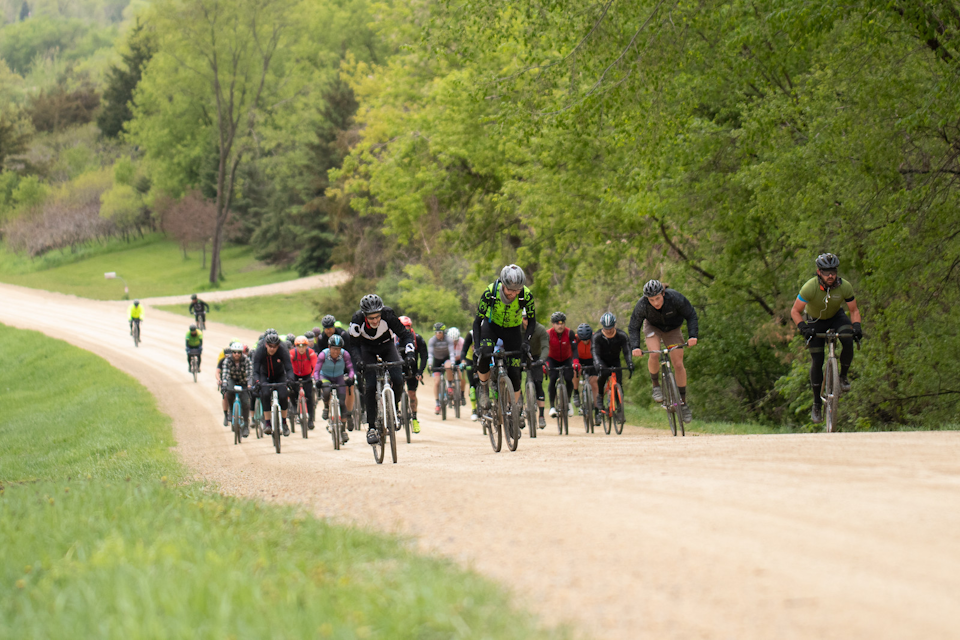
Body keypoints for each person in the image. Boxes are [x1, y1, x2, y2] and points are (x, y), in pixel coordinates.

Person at [790, 252, 863, 423]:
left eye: (833, 271)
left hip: (836, 317)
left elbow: (853, 310)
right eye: (826, 272)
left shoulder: (844, 286)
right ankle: (817, 403)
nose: (830, 275)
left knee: (847, 337)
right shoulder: (810, 287)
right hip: (815, 321)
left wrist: (857, 326)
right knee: (817, 360)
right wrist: (803, 328)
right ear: (819, 272)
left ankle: (843, 376)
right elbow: (795, 311)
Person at [349, 294, 416, 445]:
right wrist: (359, 361)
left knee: (398, 379)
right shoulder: (357, 320)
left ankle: (395, 407)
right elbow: (353, 345)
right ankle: (371, 428)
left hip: (387, 346)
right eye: (371, 318)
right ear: (365, 316)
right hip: (367, 349)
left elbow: (405, 336)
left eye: (377, 317)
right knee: (370, 385)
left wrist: (410, 353)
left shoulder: (388, 314)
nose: (375, 321)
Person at [629, 279, 698, 423]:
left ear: (663, 294)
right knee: (654, 353)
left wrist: (693, 336)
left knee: (678, 364)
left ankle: (683, 402)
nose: (655, 303)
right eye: (651, 300)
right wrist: (635, 346)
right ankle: (656, 385)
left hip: (673, 329)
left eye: (658, 298)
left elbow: (691, 314)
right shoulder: (642, 305)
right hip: (653, 328)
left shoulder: (675, 298)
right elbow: (634, 326)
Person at [473, 264, 536, 415]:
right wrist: (477, 345)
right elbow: (477, 321)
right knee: (484, 354)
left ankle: (514, 409)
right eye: (510, 290)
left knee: (515, 372)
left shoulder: (526, 295)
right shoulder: (490, 292)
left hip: (513, 330)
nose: (513, 294)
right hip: (491, 326)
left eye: (517, 290)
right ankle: (484, 389)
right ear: (503, 285)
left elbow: (532, 321)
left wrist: (526, 342)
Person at [592, 313, 634, 422]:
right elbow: (595, 353)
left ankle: (620, 410)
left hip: (615, 361)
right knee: (603, 374)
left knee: (618, 383)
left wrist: (629, 363)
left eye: (611, 328)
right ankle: (600, 395)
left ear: (614, 325)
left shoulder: (621, 335)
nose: (609, 330)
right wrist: (599, 364)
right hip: (601, 361)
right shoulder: (597, 337)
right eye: (606, 328)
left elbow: (627, 351)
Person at [313, 334, 354, 444]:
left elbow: (350, 368)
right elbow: (316, 371)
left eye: (338, 349)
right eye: (334, 349)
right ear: (329, 347)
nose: (336, 352)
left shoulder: (345, 354)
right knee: (326, 391)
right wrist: (317, 380)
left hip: (339, 377)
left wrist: (350, 378)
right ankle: (326, 407)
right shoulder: (323, 355)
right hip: (325, 376)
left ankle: (343, 430)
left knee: (342, 402)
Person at [253, 331, 293, 436]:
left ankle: (284, 422)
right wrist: (257, 382)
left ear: (278, 346)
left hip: (279, 375)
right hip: (265, 375)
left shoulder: (282, 350)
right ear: (266, 345)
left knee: (283, 395)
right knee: (265, 394)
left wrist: (290, 379)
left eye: (274, 347)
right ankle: (267, 423)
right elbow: (255, 370)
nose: (272, 349)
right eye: (270, 346)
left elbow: (289, 368)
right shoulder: (260, 351)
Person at [546, 311, 577, 418]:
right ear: (553, 324)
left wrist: (575, 361)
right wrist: (545, 363)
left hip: (566, 359)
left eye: (562, 323)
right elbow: (544, 348)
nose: (560, 326)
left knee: (568, 379)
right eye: (557, 323)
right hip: (552, 359)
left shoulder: (569, 333)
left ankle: (568, 402)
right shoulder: (548, 334)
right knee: (553, 378)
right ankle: (552, 407)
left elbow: (575, 349)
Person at [399, 316, 427, 433]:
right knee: (396, 391)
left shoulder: (417, 339)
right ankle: (395, 412)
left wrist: (420, 372)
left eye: (408, 327)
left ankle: (414, 418)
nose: (406, 329)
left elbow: (424, 356)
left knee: (412, 394)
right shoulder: (393, 338)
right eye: (403, 327)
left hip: (412, 369)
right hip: (398, 368)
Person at [522, 308, 549, 428]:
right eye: (524, 318)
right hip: (521, 355)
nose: (527, 320)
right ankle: (519, 409)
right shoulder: (517, 328)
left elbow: (545, 347)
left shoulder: (540, 329)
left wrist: (542, 359)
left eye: (529, 318)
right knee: (515, 379)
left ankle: (541, 416)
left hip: (536, 356)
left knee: (538, 383)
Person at [222, 341, 253, 437]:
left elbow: (250, 373)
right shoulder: (227, 360)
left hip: (243, 381)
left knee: (246, 403)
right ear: (232, 352)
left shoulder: (246, 360)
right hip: (232, 380)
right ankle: (231, 410)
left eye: (239, 352)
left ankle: (246, 426)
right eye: (234, 352)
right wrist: (224, 384)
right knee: (229, 392)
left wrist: (249, 384)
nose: (236, 354)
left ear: (241, 353)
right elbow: (225, 374)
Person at [289, 336, 318, 430]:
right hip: (295, 375)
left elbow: (315, 366)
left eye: (303, 346)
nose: (301, 348)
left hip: (307, 375)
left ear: (307, 346)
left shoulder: (311, 353)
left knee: (309, 397)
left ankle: (310, 419)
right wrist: (289, 378)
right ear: (296, 346)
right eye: (299, 346)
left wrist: (313, 376)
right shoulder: (292, 353)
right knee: (291, 390)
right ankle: (294, 406)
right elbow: (288, 366)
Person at [428, 322, 457, 415]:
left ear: (443, 332)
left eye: (440, 332)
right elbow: (430, 354)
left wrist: (453, 363)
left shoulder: (448, 340)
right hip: (436, 360)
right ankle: (437, 403)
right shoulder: (432, 341)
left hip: (446, 358)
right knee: (436, 382)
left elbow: (452, 353)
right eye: (436, 332)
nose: (438, 334)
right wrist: (430, 364)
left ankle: (449, 386)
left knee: (448, 366)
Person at [458, 329, 480, 420]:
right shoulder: (471, 335)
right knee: (472, 384)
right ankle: (474, 409)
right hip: (471, 360)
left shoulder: (488, 332)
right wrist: (463, 361)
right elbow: (464, 350)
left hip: (483, 359)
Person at [573, 322, 595, 409]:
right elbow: (572, 351)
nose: (585, 341)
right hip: (580, 359)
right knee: (575, 371)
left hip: (592, 359)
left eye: (587, 339)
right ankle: (576, 392)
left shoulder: (594, 338)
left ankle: (595, 400)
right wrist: (575, 362)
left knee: (596, 380)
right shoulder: (576, 339)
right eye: (583, 340)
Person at [447, 327, 467, 408]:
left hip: (459, 360)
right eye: (452, 341)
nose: (454, 343)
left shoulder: (462, 341)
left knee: (462, 375)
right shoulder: (446, 342)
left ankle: (462, 394)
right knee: (448, 368)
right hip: (450, 360)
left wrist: (463, 362)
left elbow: (464, 354)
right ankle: (449, 386)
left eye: (456, 341)